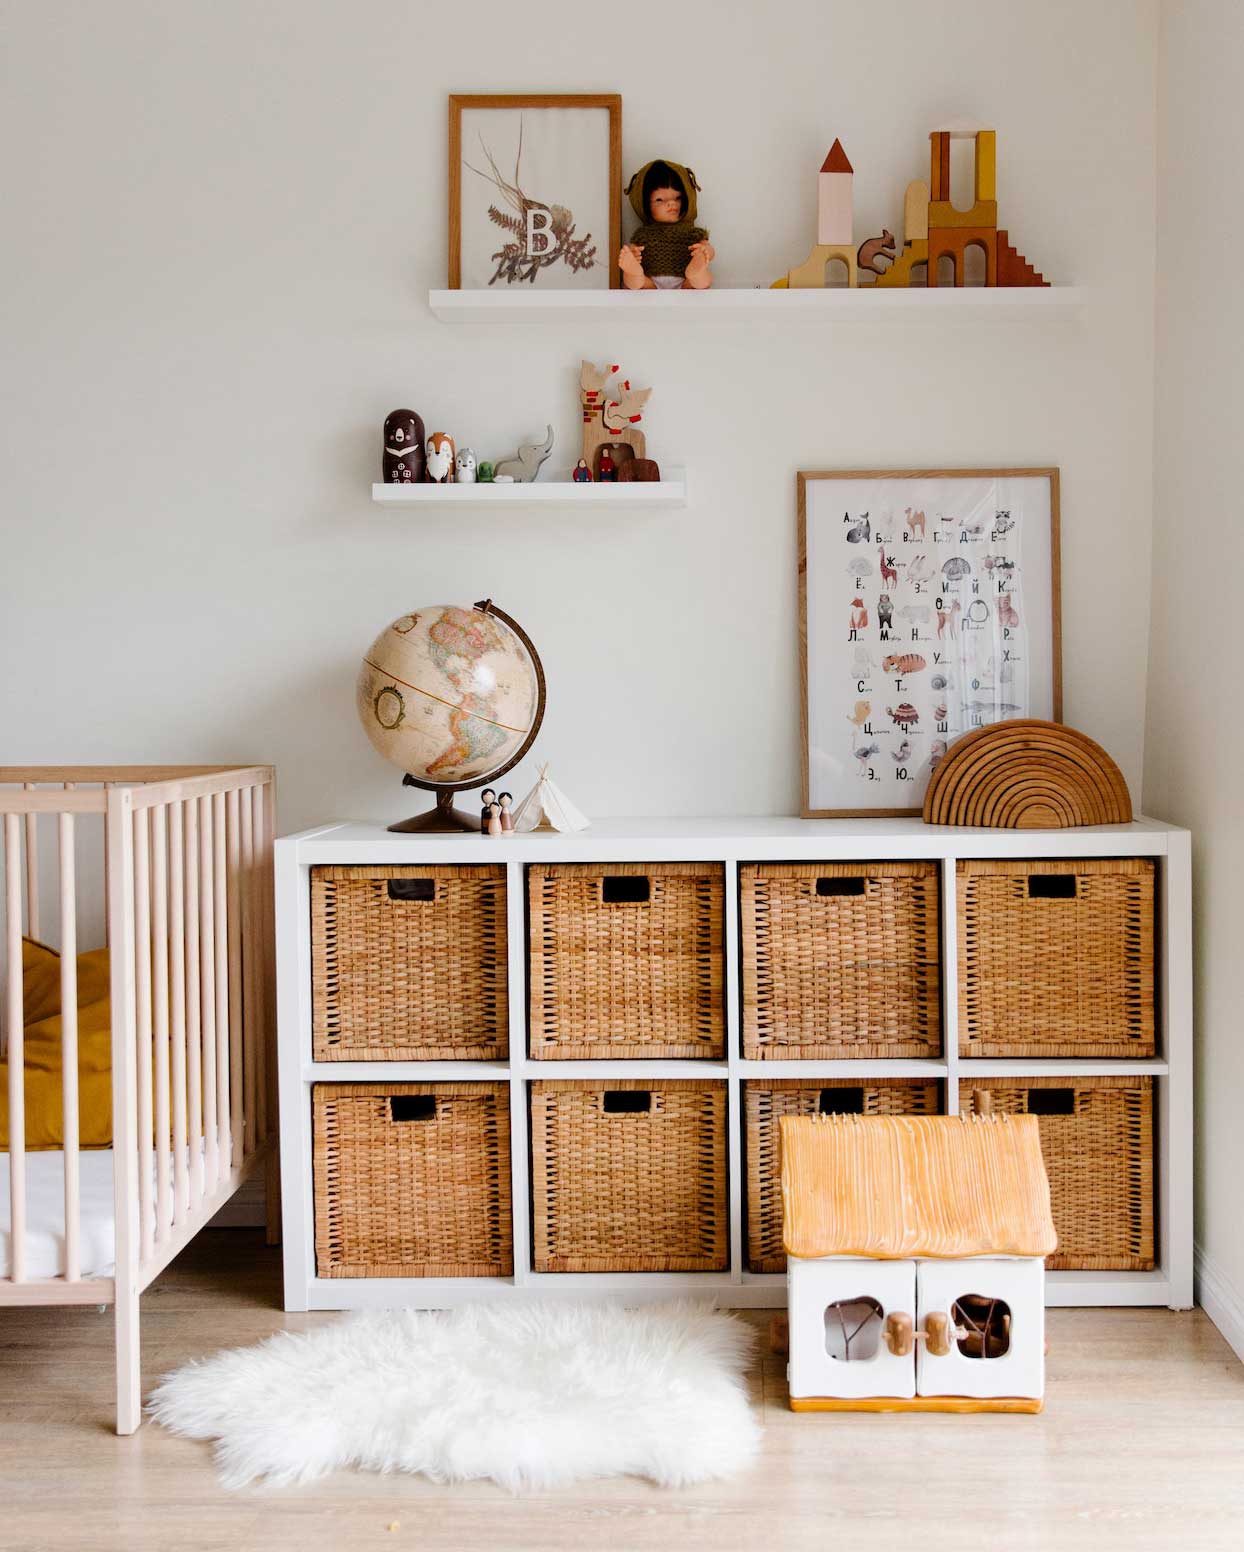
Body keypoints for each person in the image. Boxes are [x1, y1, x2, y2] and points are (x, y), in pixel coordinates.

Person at [619, 158, 714, 291]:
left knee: (703, 280)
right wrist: (634, 256)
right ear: (645, 205)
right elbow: (636, 248)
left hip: (684, 282)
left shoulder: (692, 233)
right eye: (659, 199)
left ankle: (695, 273)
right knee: (636, 282)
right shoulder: (644, 235)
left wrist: (704, 253)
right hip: (652, 283)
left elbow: (708, 249)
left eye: (677, 198)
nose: (671, 203)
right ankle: (634, 272)